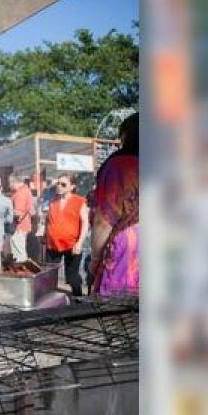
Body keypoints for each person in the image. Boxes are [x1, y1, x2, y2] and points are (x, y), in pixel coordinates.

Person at [90, 113, 139, 295]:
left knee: (118, 314)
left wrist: (95, 259)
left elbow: (104, 221)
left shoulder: (118, 166)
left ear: (126, 137)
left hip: (128, 248)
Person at [45, 173, 90, 296]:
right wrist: (44, 234)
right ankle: (51, 302)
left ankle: (78, 299)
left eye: (63, 184)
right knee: (49, 277)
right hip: (52, 245)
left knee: (71, 278)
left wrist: (80, 243)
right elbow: (48, 221)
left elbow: (85, 223)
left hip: (72, 245)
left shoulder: (79, 201)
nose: (59, 186)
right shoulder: (53, 201)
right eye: (58, 184)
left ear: (72, 187)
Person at [8, 175, 34, 263]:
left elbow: (18, 212)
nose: (9, 185)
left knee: (18, 252)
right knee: (20, 249)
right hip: (23, 225)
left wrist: (7, 214)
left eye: (10, 183)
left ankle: (22, 271)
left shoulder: (20, 193)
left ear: (14, 182)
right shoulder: (25, 190)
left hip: (19, 226)